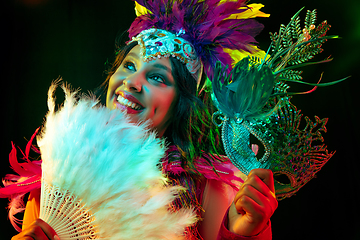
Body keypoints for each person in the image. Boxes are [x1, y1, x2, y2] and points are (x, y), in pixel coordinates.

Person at [5, 1, 279, 239]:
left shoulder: (206, 190)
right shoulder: (58, 173)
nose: (133, 83)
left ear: (180, 104)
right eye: (129, 66)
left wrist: (245, 233)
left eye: (157, 77)